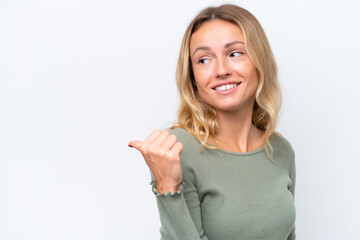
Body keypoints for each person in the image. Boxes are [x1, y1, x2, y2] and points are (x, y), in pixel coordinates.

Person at [128, 4, 296, 240]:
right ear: (193, 77)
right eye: (204, 60)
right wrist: (167, 188)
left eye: (235, 53)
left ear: (260, 61)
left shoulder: (280, 150)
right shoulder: (177, 149)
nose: (221, 70)